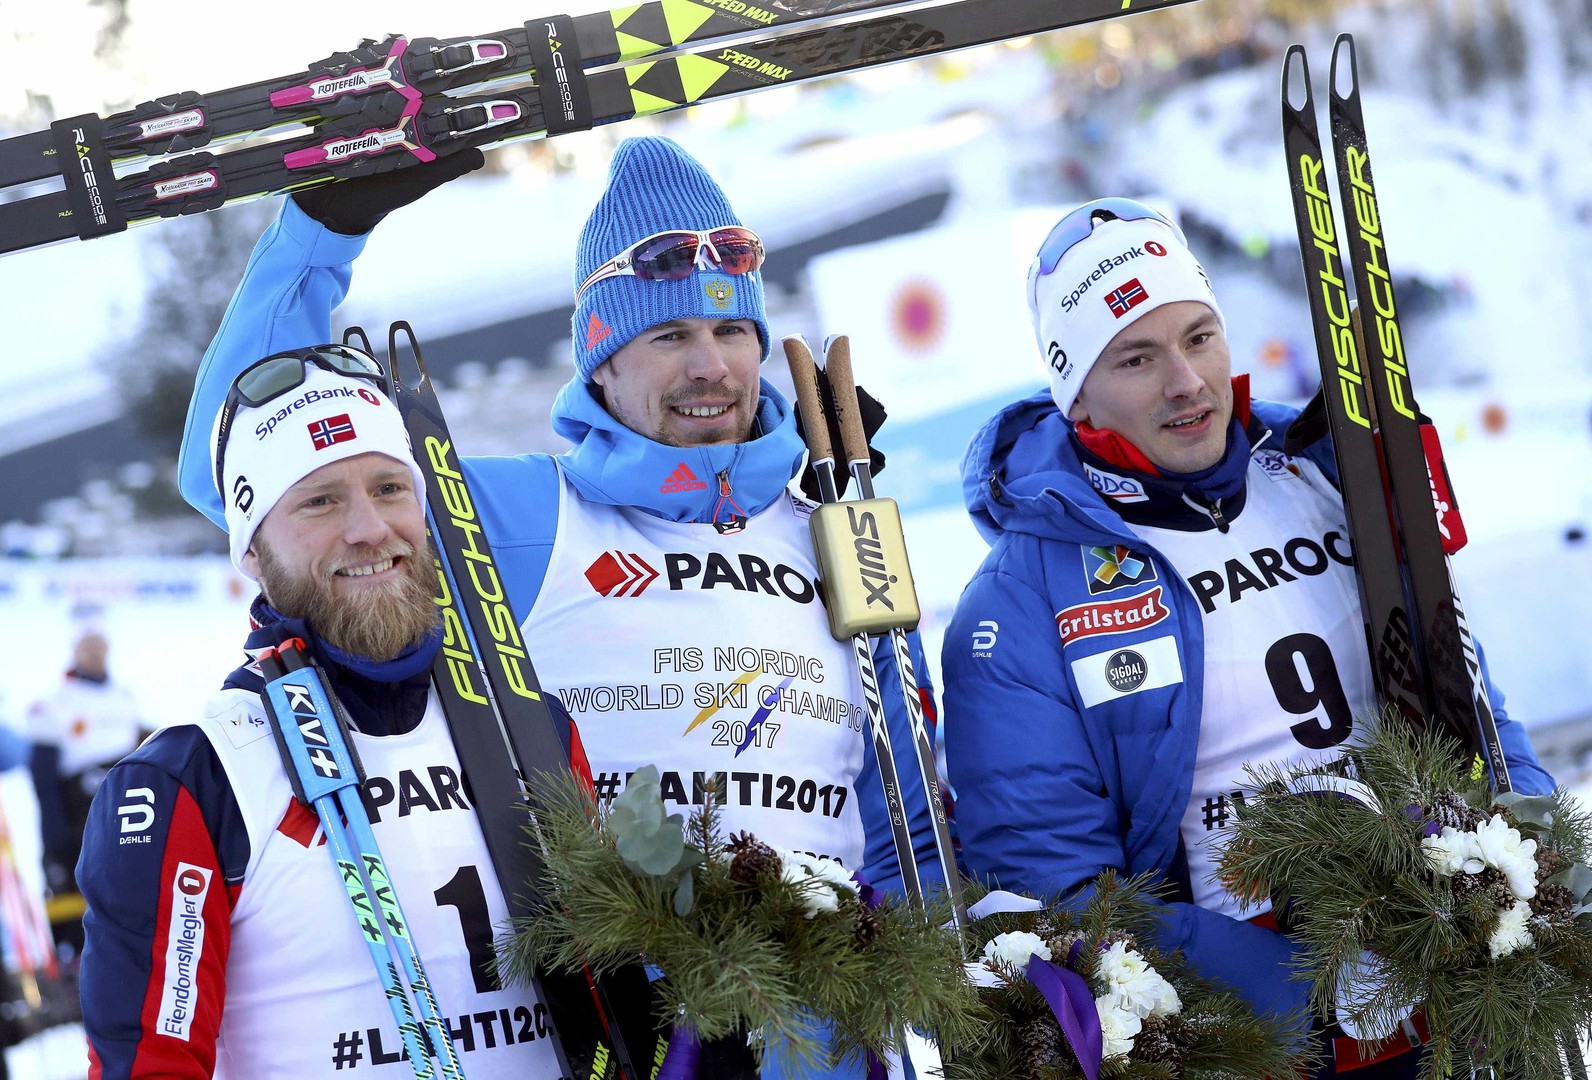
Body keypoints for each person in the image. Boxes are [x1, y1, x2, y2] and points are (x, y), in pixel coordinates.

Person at [167, 137, 944, 1078]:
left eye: (732, 332)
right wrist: (324, 230)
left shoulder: (838, 520)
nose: (710, 367)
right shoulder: (520, 511)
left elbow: (904, 808)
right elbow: (247, 465)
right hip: (626, 1023)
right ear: (599, 362)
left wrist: (936, 995)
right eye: (666, 338)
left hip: (826, 1028)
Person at [938, 198, 1552, 1078]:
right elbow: (1052, 891)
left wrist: (1529, 851)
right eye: (1137, 358)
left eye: (1199, 337)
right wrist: (1292, 984)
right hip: (1248, 1034)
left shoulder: (1329, 474)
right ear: (1077, 392)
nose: (1186, 381)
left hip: (1454, 980)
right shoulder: (1023, 598)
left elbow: (1472, 706)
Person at [77, 353, 579, 1078]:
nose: (371, 528)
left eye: (389, 487)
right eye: (319, 501)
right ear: (252, 548)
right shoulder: (191, 780)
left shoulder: (534, 728)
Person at [26, 628, 150, 959]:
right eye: (88, 648)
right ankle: (74, 962)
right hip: (76, 811)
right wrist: (53, 831)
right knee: (73, 887)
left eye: (100, 648)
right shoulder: (55, 703)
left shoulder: (122, 697)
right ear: (75, 652)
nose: (95, 655)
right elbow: (43, 776)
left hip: (122, 804)